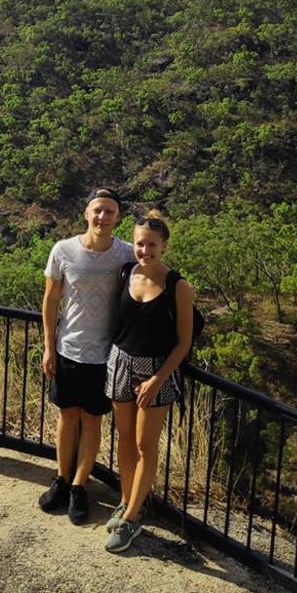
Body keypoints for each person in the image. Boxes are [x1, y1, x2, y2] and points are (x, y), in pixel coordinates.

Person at [38, 187, 135, 524]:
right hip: (68, 348)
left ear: (118, 217)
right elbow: (50, 301)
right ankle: (62, 479)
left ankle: (80, 486)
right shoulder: (63, 250)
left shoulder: (126, 254)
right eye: (97, 210)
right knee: (67, 417)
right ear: (85, 213)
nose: (102, 217)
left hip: (106, 353)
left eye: (109, 211)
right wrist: (49, 346)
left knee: (92, 421)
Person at [102, 209, 195, 553]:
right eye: (140, 244)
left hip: (157, 370)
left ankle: (131, 518)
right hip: (120, 362)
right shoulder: (126, 272)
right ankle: (129, 501)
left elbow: (183, 343)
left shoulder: (178, 287)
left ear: (164, 246)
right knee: (125, 439)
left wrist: (157, 379)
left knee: (145, 444)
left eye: (152, 245)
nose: (145, 251)